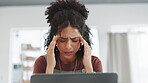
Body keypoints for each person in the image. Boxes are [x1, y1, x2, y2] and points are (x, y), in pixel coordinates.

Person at [33, 0, 102, 74]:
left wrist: (88, 67)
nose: (68, 47)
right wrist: (50, 67)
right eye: (62, 40)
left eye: (74, 40)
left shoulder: (94, 62)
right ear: (54, 40)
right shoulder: (42, 62)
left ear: (82, 40)